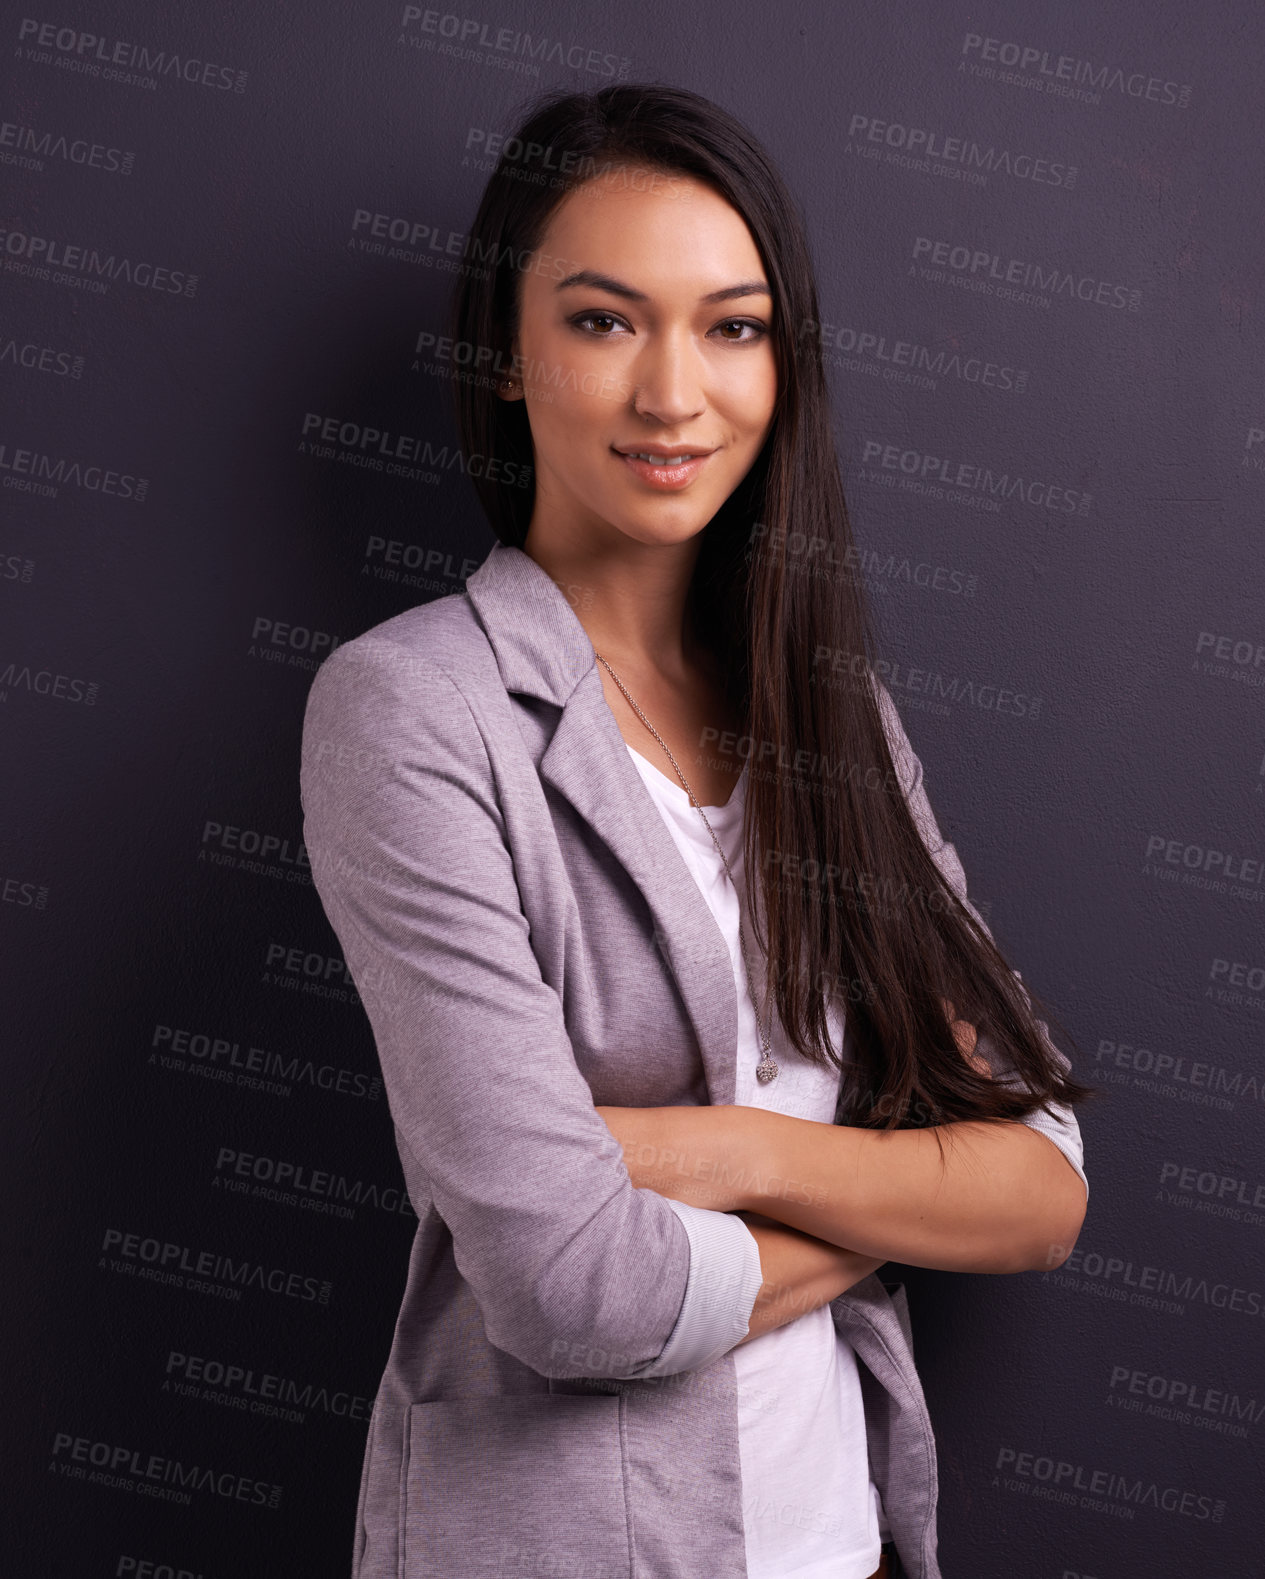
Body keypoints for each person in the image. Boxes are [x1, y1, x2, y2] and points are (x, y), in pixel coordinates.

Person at [301, 82, 1094, 1579]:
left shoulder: (827, 714)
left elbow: (1038, 1181)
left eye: (732, 327)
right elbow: (572, 1293)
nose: (676, 392)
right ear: (508, 355)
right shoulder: (411, 710)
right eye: (605, 321)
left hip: (841, 1542)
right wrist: (888, 1206)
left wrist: (698, 1152)